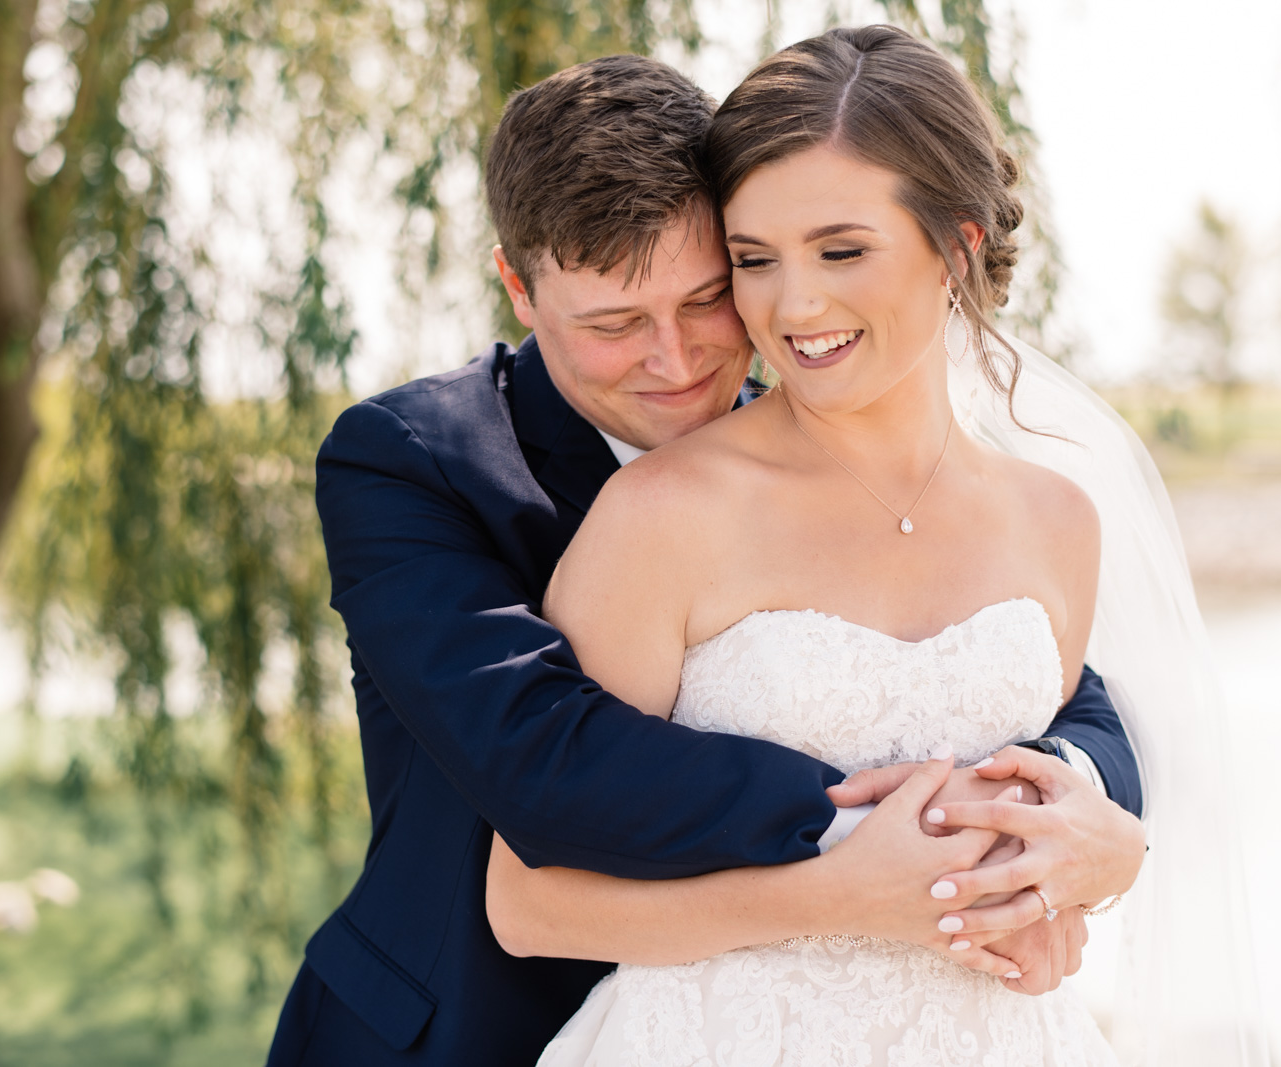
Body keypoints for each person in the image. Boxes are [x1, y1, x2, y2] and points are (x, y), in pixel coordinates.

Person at [267, 49, 1145, 1067]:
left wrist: (1095, 821)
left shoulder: (863, 439)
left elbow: (1051, 685)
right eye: (613, 324)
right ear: (516, 284)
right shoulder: (416, 463)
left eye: (705, 297)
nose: (677, 362)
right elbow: (539, 752)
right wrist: (877, 841)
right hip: (464, 1019)